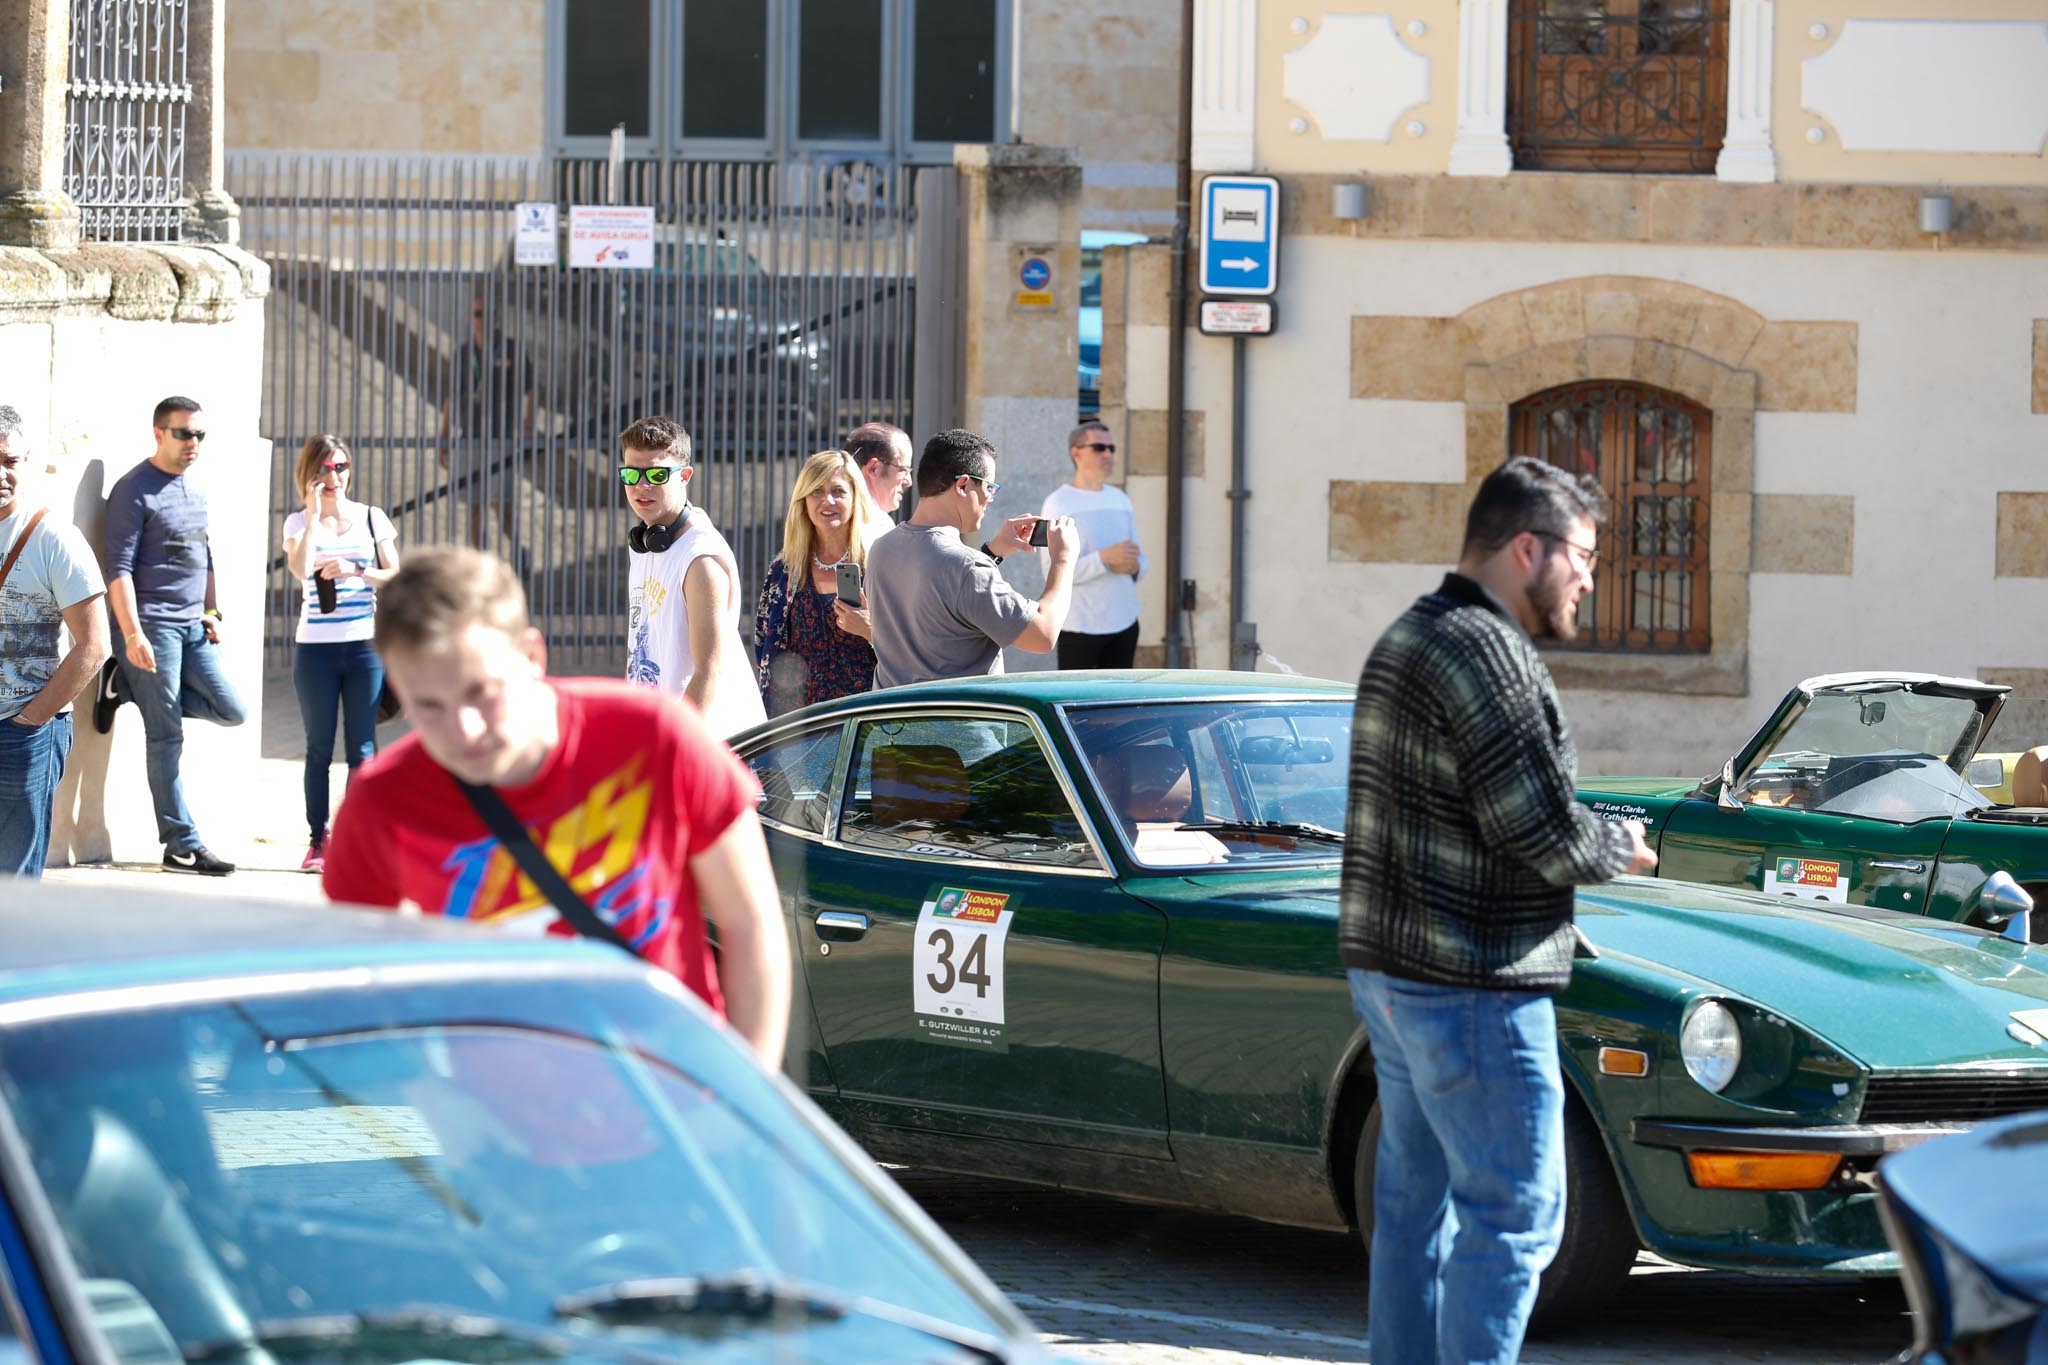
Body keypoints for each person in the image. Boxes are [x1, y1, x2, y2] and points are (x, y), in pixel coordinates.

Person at [1339, 456, 1657, 1365]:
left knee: (1413, 1211)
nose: (1591, 580)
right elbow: (1541, 828)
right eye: (1585, 557)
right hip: (1471, 980)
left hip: (1390, 973)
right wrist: (1619, 848)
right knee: (1515, 1212)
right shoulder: (1490, 652)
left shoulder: (1408, 634)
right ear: (1529, 548)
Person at [321, 546, 792, 1068]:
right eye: (428, 706)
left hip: (676, 1107)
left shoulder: (657, 737)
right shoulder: (380, 800)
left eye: (481, 692)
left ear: (531, 656)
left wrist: (745, 1108)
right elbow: (360, 985)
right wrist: (440, 1107)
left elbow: (750, 924)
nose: (464, 730)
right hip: (493, 1134)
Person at [101, 396, 248, 876]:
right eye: (184, 434)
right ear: (159, 433)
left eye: (200, 435)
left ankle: (123, 685)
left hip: (193, 627)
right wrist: (132, 635)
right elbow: (117, 571)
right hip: (153, 628)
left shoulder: (195, 487)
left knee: (233, 710)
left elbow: (204, 555)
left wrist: (212, 609)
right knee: (166, 735)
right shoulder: (133, 490)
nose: (194, 444)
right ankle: (180, 846)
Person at [866, 428, 1079, 688]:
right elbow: (1042, 634)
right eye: (990, 487)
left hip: (893, 722)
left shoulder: (881, 548)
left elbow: (947, 596)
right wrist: (1064, 559)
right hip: (957, 724)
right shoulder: (966, 568)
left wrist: (991, 553)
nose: (990, 498)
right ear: (964, 485)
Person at [281, 434, 400, 873]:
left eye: (342, 467)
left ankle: (358, 837)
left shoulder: (372, 518)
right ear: (310, 473)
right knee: (317, 748)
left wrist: (356, 569)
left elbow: (397, 575)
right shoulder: (297, 523)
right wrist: (313, 517)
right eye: (326, 469)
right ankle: (318, 840)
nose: (335, 477)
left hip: (364, 645)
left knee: (363, 747)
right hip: (314, 649)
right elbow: (297, 570)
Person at [0, 406, 109, 878]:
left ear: (27, 461)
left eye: (9, 460)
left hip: (22, 732)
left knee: (15, 884)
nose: (1, 474)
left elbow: (93, 645)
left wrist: (30, 720)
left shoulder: (52, 537)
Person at [619, 416, 765, 738]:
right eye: (631, 474)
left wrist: (673, 747)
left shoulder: (700, 560)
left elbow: (708, 671)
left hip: (705, 745)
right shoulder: (645, 544)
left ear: (684, 476)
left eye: (657, 474)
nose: (641, 486)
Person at [754, 449, 880, 716]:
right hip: (797, 731)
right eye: (817, 492)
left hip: (864, 724)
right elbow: (763, 646)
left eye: (838, 491)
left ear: (856, 498)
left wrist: (870, 630)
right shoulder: (784, 571)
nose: (828, 501)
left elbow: (910, 649)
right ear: (804, 500)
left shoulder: (878, 566)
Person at [1039, 421, 1145, 669]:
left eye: (1111, 448)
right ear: (1076, 452)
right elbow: (1051, 572)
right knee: (1078, 705)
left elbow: (1141, 563)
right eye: (1099, 447)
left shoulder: (1120, 499)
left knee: (1117, 705)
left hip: (1125, 624)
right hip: (1079, 629)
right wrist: (1104, 559)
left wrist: (1132, 566)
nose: (1107, 454)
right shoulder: (1057, 503)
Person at [438, 291, 535, 550]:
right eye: (478, 314)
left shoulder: (511, 348)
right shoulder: (464, 353)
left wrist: (528, 422)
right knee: (474, 506)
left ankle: (518, 552)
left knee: (501, 505)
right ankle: (479, 560)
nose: (483, 319)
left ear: (497, 317)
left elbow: (530, 389)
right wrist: (443, 436)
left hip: (500, 436)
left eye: (488, 314)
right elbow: (452, 395)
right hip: (470, 436)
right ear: (471, 319)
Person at [845, 420, 913, 519]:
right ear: (874, 469)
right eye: (903, 470)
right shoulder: (877, 525)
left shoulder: (828, 516)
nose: (908, 482)